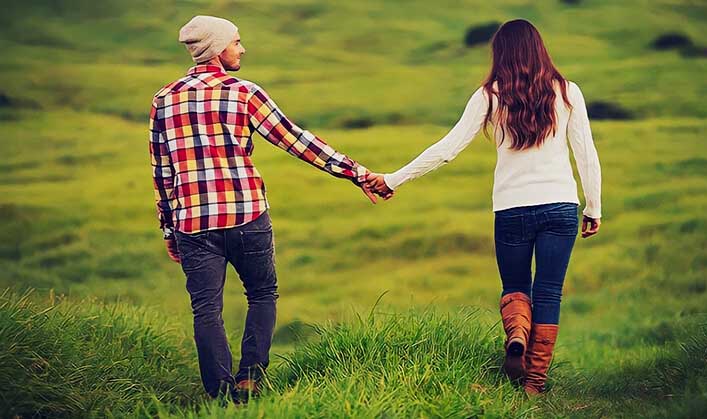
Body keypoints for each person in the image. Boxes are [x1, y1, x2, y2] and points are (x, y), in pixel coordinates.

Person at [148, 15, 379, 402]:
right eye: (236, 42)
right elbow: (297, 141)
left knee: (206, 309)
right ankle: (250, 379)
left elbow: (162, 171)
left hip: (192, 223)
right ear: (219, 50)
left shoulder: (163, 99)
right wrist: (355, 172)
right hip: (247, 215)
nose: (242, 48)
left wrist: (169, 229)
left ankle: (220, 396)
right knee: (262, 294)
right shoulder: (244, 93)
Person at [367, 19, 602, 396]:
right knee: (548, 292)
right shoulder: (568, 92)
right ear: (540, 49)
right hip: (560, 206)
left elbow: (447, 149)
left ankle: (518, 337)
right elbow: (586, 155)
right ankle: (535, 383)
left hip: (511, 208)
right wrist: (594, 207)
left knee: (515, 287)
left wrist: (393, 179)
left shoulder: (489, 95)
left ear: (500, 54)